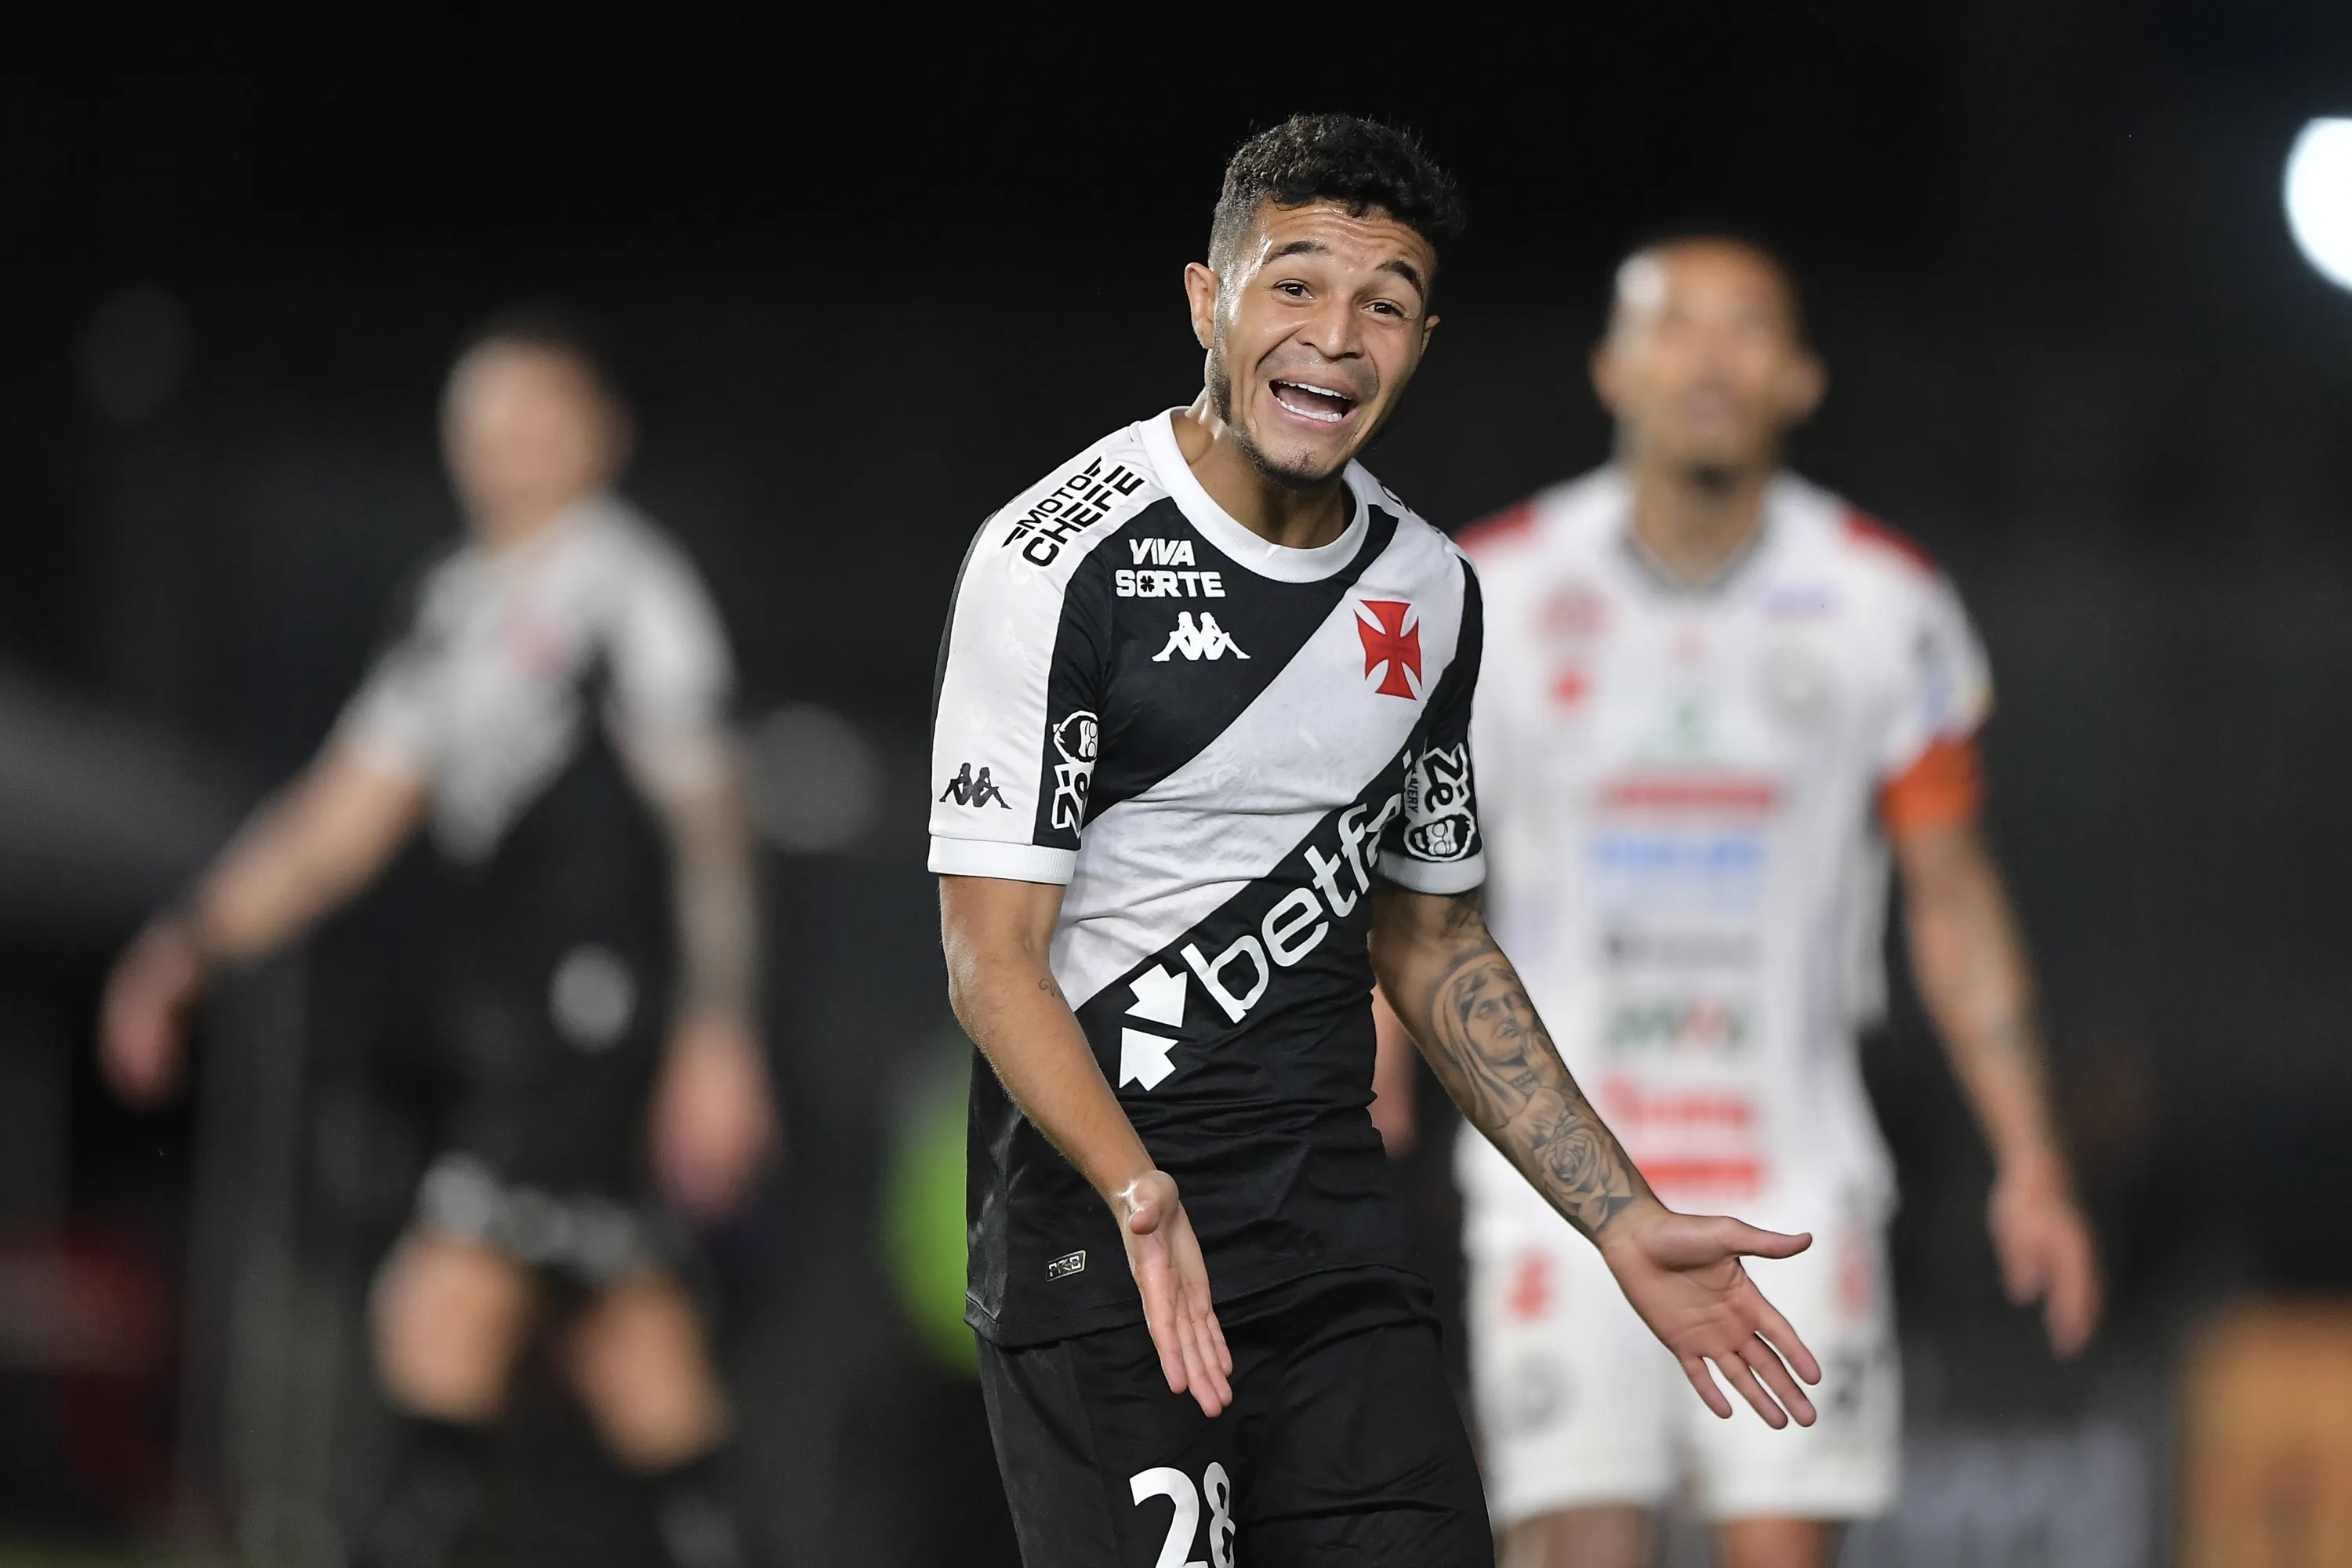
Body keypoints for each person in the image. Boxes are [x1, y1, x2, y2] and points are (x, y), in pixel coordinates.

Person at [930, 114, 1824, 1568]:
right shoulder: (1053, 563)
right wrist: (1141, 1196)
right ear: (1208, 302)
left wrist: (1621, 1219)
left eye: (1385, 303)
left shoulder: (1431, 591)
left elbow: (1433, 938)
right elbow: (992, 962)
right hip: (1109, 1245)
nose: (1336, 337)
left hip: (1332, 1253)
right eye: (1295, 286)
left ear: (1419, 340)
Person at [1407, 237, 2104, 1568]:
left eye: (1748, 330)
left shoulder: (1883, 605)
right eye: (1678, 326)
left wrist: (2033, 1155)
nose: (1712, 357)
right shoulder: (1488, 592)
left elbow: (1953, 897)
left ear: (1802, 377)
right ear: (1614, 367)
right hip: (1558, 1170)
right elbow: (1419, 880)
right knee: (1573, 1549)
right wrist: (1373, 1061)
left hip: (1792, 1178)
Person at [97, 314, 776, 1568]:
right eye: (487, 424)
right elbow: (341, 818)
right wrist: (188, 942)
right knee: (639, 1356)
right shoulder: (456, 608)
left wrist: (718, 1035)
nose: (511, 449)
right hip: (518, 1013)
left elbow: (709, 826)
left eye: (541, 419)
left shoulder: (628, 588)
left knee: (436, 1308)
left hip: (603, 1008)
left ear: (601, 437)